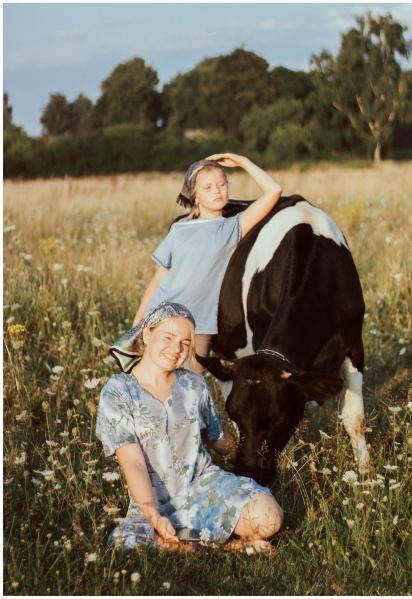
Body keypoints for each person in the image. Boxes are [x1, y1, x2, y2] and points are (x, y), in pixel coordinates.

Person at [97, 301, 283, 554]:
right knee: (126, 545)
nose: (176, 349)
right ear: (148, 334)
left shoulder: (194, 385)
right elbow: (133, 463)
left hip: (203, 486)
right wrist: (153, 515)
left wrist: (257, 441)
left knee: (269, 517)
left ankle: (184, 544)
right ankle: (230, 546)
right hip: (154, 497)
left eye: (185, 343)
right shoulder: (118, 391)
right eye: (169, 337)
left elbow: (219, 440)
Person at [132, 153, 282, 370]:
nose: (217, 191)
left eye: (222, 184)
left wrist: (242, 162)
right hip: (161, 318)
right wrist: (138, 321)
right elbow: (159, 277)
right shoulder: (179, 229)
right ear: (195, 195)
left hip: (198, 325)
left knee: (189, 388)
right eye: (208, 187)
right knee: (151, 382)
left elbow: (274, 191)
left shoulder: (232, 227)